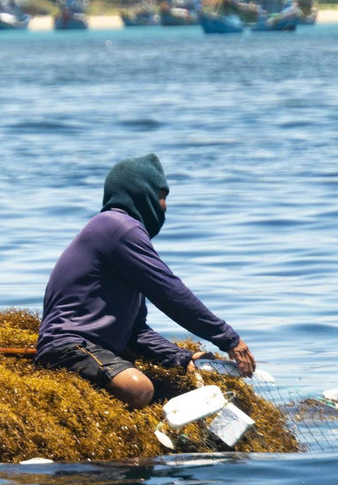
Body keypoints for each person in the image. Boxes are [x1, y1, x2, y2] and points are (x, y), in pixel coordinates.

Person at [34, 154, 256, 409]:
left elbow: (135, 331)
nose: (164, 206)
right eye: (162, 196)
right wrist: (228, 339)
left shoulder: (116, 232)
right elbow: (169, 291)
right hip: (70, 347)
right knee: (139, 388)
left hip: (96, 348)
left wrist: (182, 358)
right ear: (141, 193)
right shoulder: (118, 227)